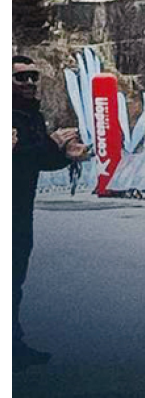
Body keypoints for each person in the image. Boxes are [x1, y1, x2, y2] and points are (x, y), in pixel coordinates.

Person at [12, 56, 91, 372]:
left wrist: (65, 155)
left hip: (20, 209)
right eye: (21, 78)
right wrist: (51, 143)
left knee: (15, 280)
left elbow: (35, 159)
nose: (29, 83)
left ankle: (15, 346)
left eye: (33, 77)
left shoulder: (31, 115)